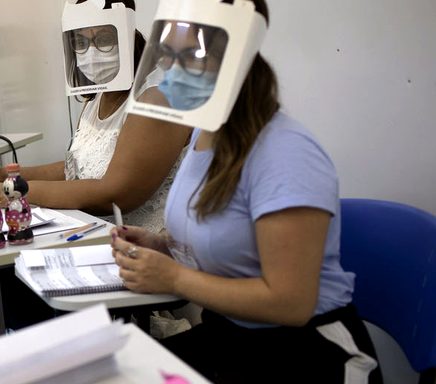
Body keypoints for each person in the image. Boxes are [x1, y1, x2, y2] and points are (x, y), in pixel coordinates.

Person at [110, 0, 381, 382]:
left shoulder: (286, 153)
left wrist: (173, 278)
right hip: (231, 337)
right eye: (166, 54)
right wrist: (163, 245)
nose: (169, 71)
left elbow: (291, 304)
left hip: (306, 351)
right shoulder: (206, 134)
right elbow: (231, 238)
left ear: (233, 60)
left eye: (189, 56)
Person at [0, 0, 191, 234]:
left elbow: (116, 194)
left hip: (145, 252)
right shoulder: (99, 95)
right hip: (93, 234)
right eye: (80, 42)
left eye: (103, 39)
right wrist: (9, 175)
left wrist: (14, 189)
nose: (91, 53)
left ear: (127, 34)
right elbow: (78, 167)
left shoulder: (158, 98)